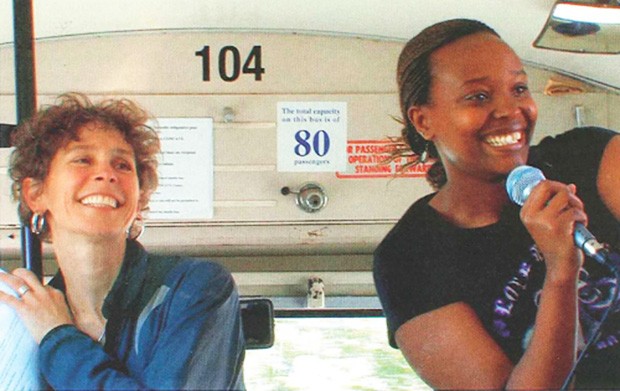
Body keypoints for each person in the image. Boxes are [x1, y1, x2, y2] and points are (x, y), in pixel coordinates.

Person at [373, 19, 620, 390]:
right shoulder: (409, 259)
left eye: (519, 88)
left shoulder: (589, 157)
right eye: (478, 97)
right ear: (424, 120)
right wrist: (560, 271)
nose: (510, 109)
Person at [0, 93, 245, 390]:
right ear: (36, 194)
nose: (106, 174)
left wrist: (58, 336)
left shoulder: (194, 288)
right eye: (82, 159)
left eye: (122, 165)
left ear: (140, 197)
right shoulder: (26, 322)